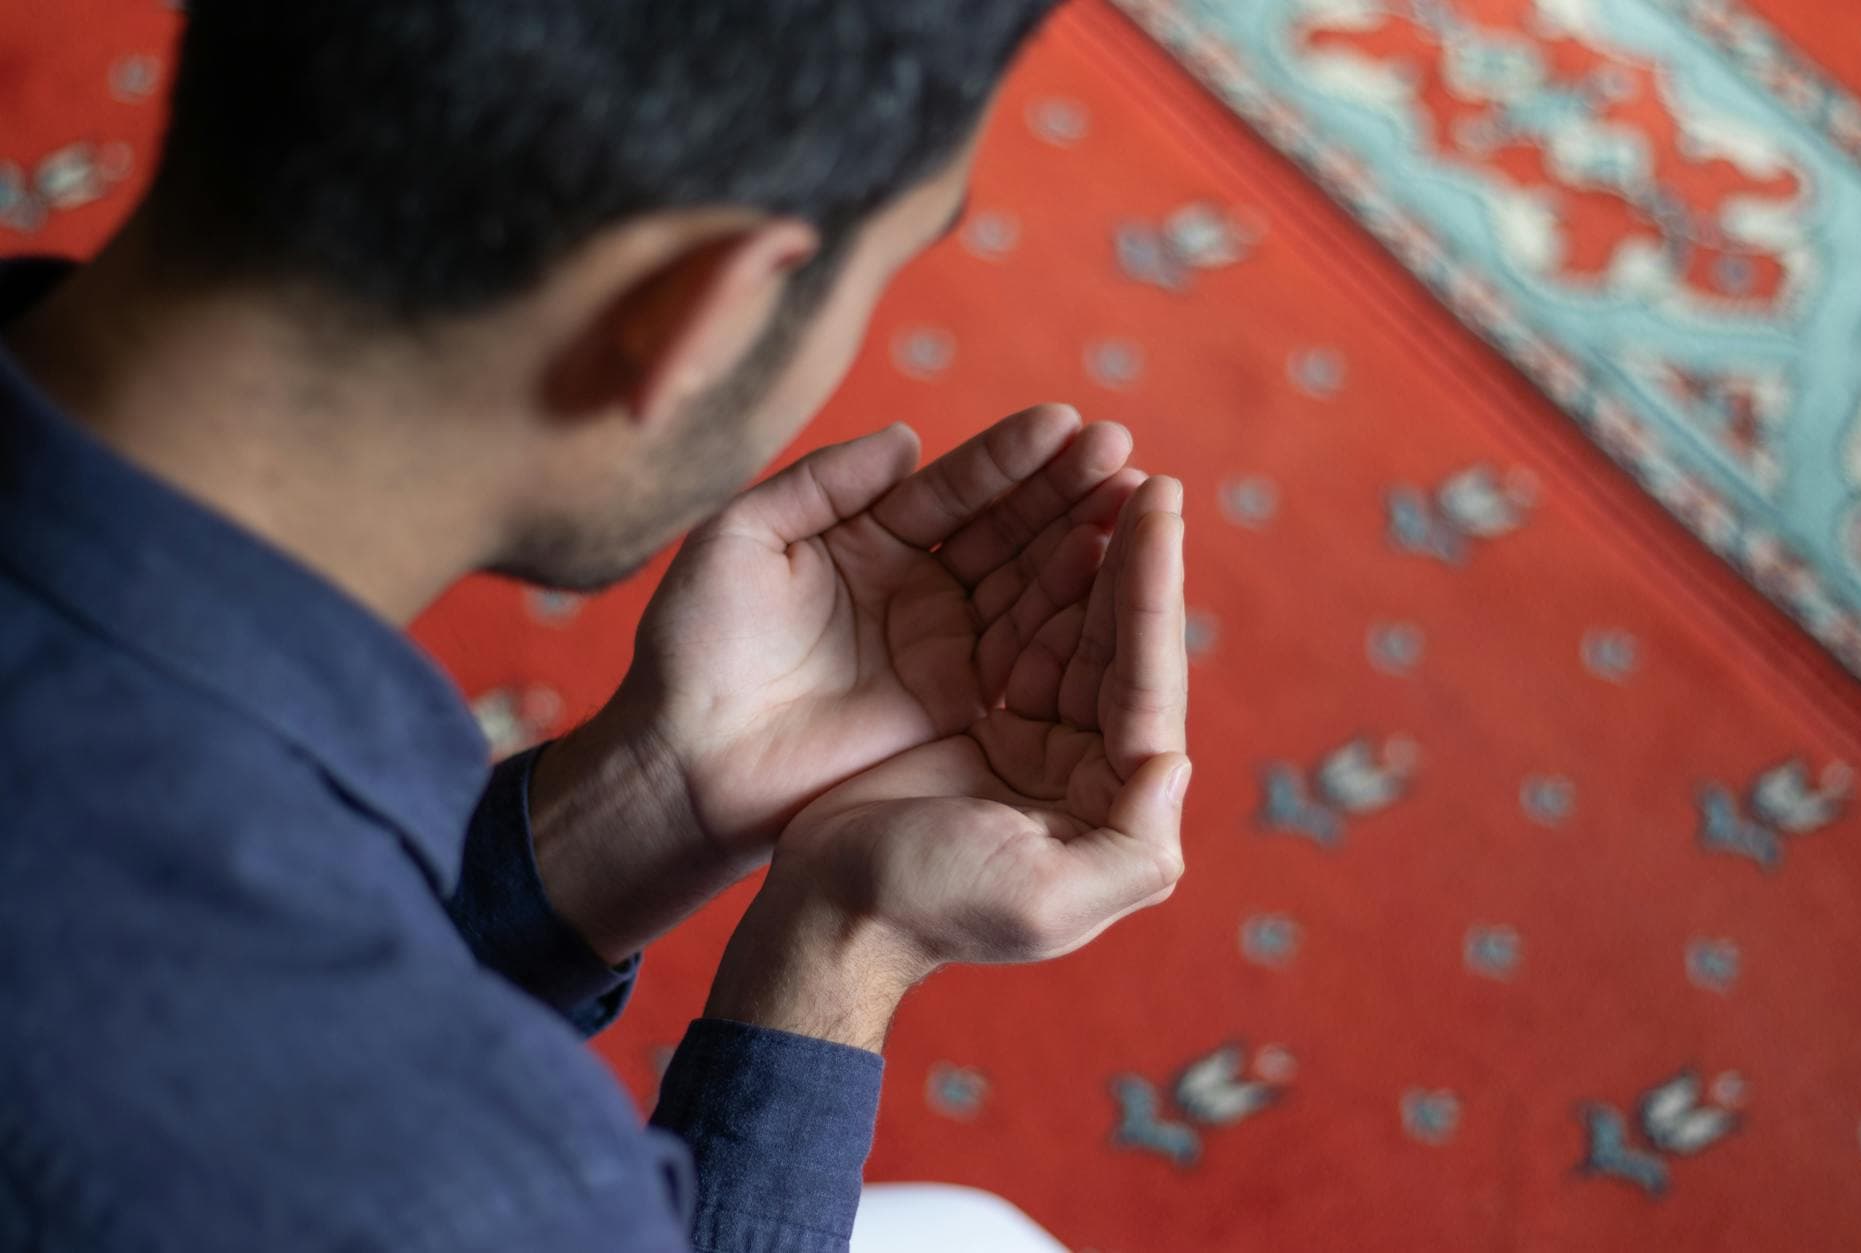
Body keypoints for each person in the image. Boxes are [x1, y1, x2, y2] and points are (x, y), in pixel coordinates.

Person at [0, 2, 1190, 1249]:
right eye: (886, 263)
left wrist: (661, 793)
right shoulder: (483, 1193)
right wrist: (849, 934)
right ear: (694, 311)